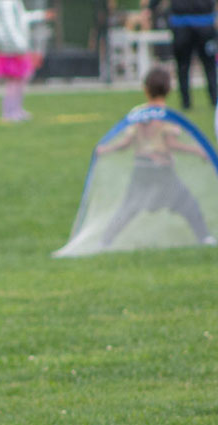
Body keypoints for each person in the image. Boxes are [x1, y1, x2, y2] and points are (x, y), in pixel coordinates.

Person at [96, 67, 216, 248]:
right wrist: (198, 150)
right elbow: (172, 143)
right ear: (169, 90)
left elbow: (127, 142)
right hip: (162, 170)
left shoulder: (138, 113)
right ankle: (205, 237)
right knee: (187, 204)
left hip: (141, 169)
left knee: (128, 208)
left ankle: (105, 241)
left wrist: (106, 149)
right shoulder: (166, 115)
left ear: (145, 89)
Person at [0, 0, 52, 122]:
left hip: (13, 45)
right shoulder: (7, 3)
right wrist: (21, 46)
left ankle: (16, 110)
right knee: (14, 80)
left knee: (18, 80)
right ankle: (10, 111)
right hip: (10, 46)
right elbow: (9, 24)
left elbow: (21, 17)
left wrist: (41, 15)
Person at [144, 0, 217, 110]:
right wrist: (150, 7)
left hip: (202, 23)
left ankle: (214, 100)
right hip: (184, 24)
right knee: (184, 66)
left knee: (208, 65)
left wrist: (150, 7)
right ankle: (186, 102)